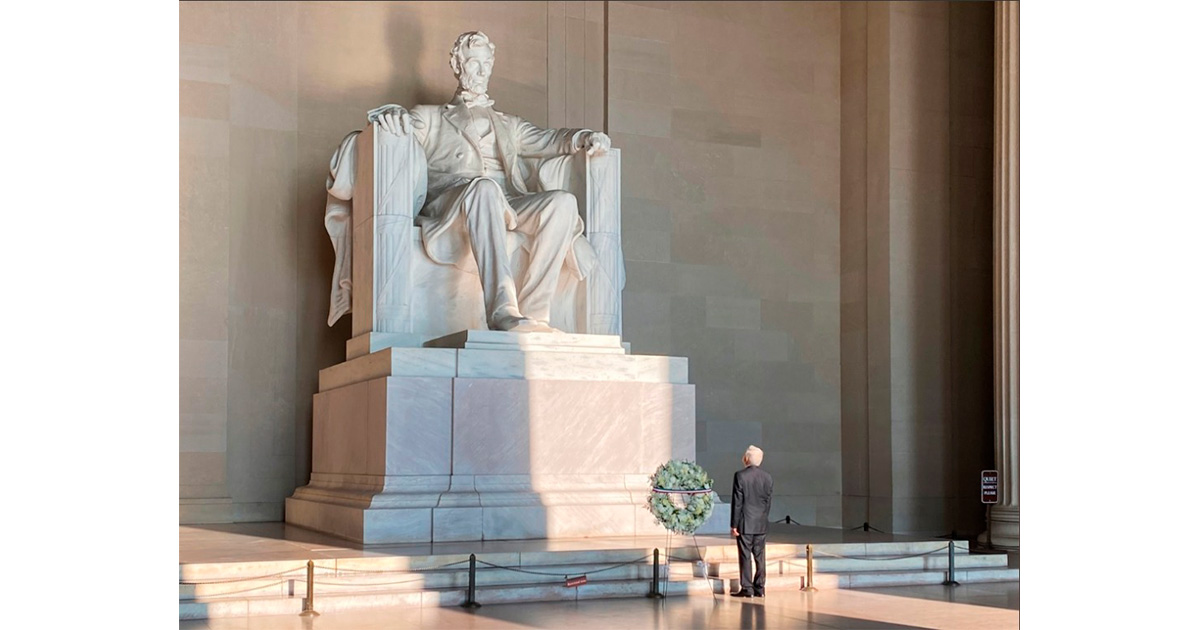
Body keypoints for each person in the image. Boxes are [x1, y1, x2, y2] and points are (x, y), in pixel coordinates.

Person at [367, 31, 611, 333]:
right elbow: (399, 124)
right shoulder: (431, 117)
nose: (482, 72)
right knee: (484, 189)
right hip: (454, 202)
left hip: (506, 203)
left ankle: (535, 314)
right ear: (457, 66)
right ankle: (501, 309)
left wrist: (583, 138)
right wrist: (390, 114)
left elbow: (550, 139)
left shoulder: (510, 124)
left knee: (562, 203)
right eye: (473, 64)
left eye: (487, 64)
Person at [730, 445, 773, 598]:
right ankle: (760, 588)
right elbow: (767, 502)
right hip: (761, 523)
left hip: (745, 523)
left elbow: (737, 502)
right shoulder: (767, 477)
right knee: (760, 556)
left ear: (746, 458)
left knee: (745, 556)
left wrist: (734, 524)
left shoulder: (740, 476)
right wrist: (763, 518)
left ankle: (747, 588)